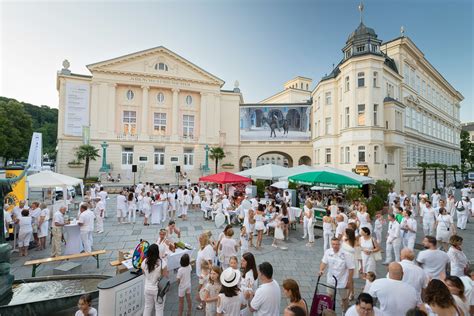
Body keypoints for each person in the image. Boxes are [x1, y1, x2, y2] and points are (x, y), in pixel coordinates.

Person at [319, 237, 355, 312]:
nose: (335, 246)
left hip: (342, 280)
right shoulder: (328, 252)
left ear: (340, 244)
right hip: (331, 279)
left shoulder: (346, 254)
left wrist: (349, 281)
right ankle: (329, 312)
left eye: (336, 244)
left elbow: (351, 269)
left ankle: (345, 311)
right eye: (333, 244)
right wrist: (321, 270)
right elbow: (324, 262)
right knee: (329, 296)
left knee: (344, 298)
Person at [142, 244, 168, 316]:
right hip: (158, 290)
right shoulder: (162, 263)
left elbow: (144, 272)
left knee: (147, 307)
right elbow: (165, 277)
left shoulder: (145, 262)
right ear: (157, 252)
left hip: (147, 288)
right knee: (159, 309)